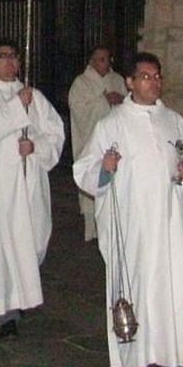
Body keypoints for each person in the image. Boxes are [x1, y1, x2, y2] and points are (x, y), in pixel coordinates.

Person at [73, 52, 183, 367]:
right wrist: (104, 169)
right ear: (130, 82)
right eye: (146, 76)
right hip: (134, 223)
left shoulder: (174, 121)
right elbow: (85, 169)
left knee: (174, 286)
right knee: (135, 286)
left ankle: (174, 358)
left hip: (171, 223)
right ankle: (133, 361)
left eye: (158, 76)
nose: (154, 82)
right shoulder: (112, 124)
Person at [0, 41, 65, 338]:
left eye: (15, 57)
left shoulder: (33, 95)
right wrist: (17, 106)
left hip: (31, 182)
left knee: (34, 238)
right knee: (5, 243)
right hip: (2, 185)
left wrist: (35, 145)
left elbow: (55, 131)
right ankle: (6, 312)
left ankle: (20, 294)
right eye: (4, 57)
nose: (11, 62)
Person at [67, 46, 127, 241]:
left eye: (108, 58)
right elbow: (78, 109)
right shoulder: (81, 83)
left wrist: (122, 100)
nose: (105, 62)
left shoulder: (117, 80)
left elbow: (129, 106)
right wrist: (102, 101)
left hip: (115, 141)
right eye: (101, 59)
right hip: (91, 140)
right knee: (94, 180)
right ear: (92, 61)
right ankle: (91, 229)